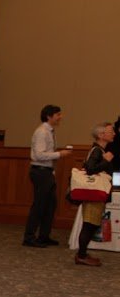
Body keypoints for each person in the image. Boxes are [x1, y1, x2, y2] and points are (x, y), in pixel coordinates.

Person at [23, 104, 72, 248]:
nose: (60, 117)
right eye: (58, 114)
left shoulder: (49, 131)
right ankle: (29, 237)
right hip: (40, 172)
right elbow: (39, 155)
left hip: (47, 172)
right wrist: (59, 154)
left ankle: (44, 236)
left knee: (50, 205)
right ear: (49, 116)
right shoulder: (42, 132)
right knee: (39, 205)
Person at [74, 121, 115, 266]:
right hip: (93, 195)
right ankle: (81, 255)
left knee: (92, 224)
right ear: (101, 135)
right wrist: (106, 161)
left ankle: (83, 253)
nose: (114, 133)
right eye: (111, 131)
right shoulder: (98, 151)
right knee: (89, 225)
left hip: (96, 194)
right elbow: (90, 169)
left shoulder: (100, 150)